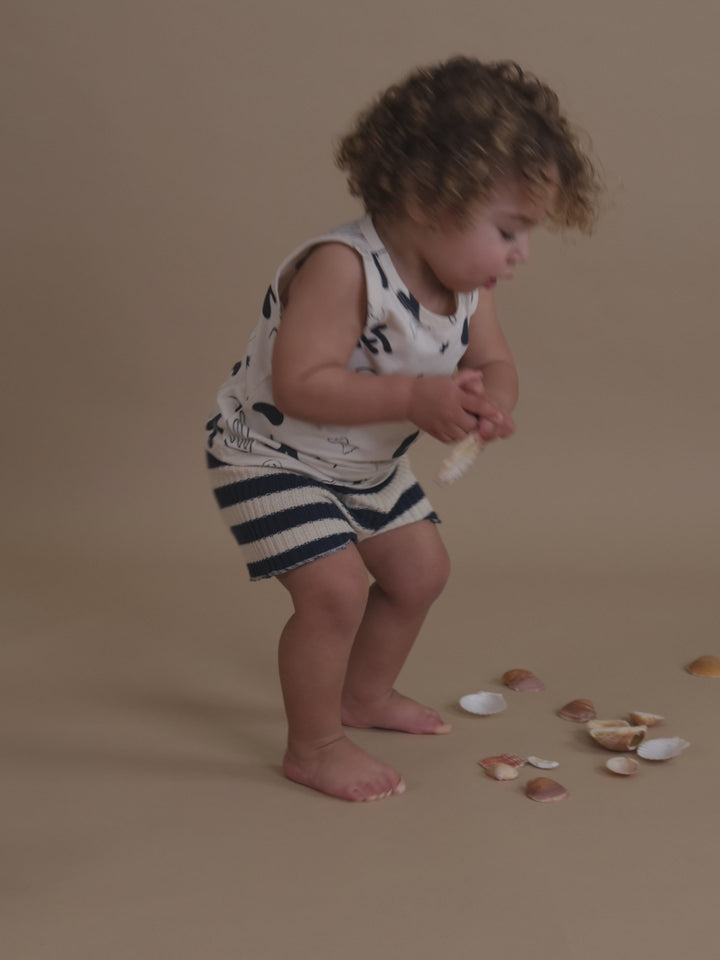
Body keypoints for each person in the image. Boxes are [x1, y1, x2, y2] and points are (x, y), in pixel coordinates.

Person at [205, 56, 601, 802]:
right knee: (335, 593)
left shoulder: (468, 287)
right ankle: (314, 743)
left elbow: (495, 362)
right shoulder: (342, 268)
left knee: (420, 574)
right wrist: (415, 398)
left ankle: (364, 694)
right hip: (271, 456)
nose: (520, 254)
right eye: (510, 229)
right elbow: (299, 383)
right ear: (429, 199)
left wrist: (492, 399)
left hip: (365, 466)